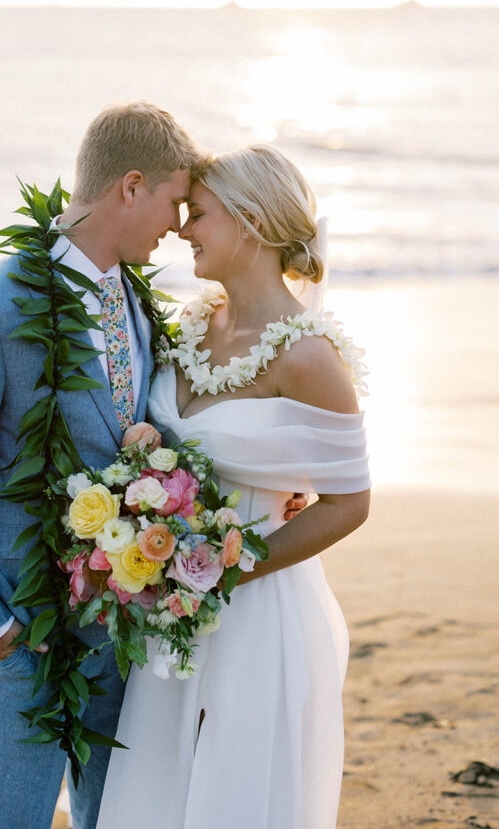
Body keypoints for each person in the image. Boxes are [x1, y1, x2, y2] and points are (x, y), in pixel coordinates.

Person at [0, 105, 308, 829]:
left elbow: (165, 430)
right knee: (10, 817)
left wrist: (265, 481)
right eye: (175, 201)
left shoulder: (137, 300)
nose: (178, 226)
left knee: (116, 814)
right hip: (25, 630)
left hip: (126, 626)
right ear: (130, 187)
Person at [96, 145, 371, 829]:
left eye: (198, 214)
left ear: (250, 222)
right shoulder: (187, 327)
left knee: (235, 792)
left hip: (258, 607)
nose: (182, 229)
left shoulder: (309, 357)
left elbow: (351, 503)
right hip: (169, 608)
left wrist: (228, 569)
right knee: (156, 784)